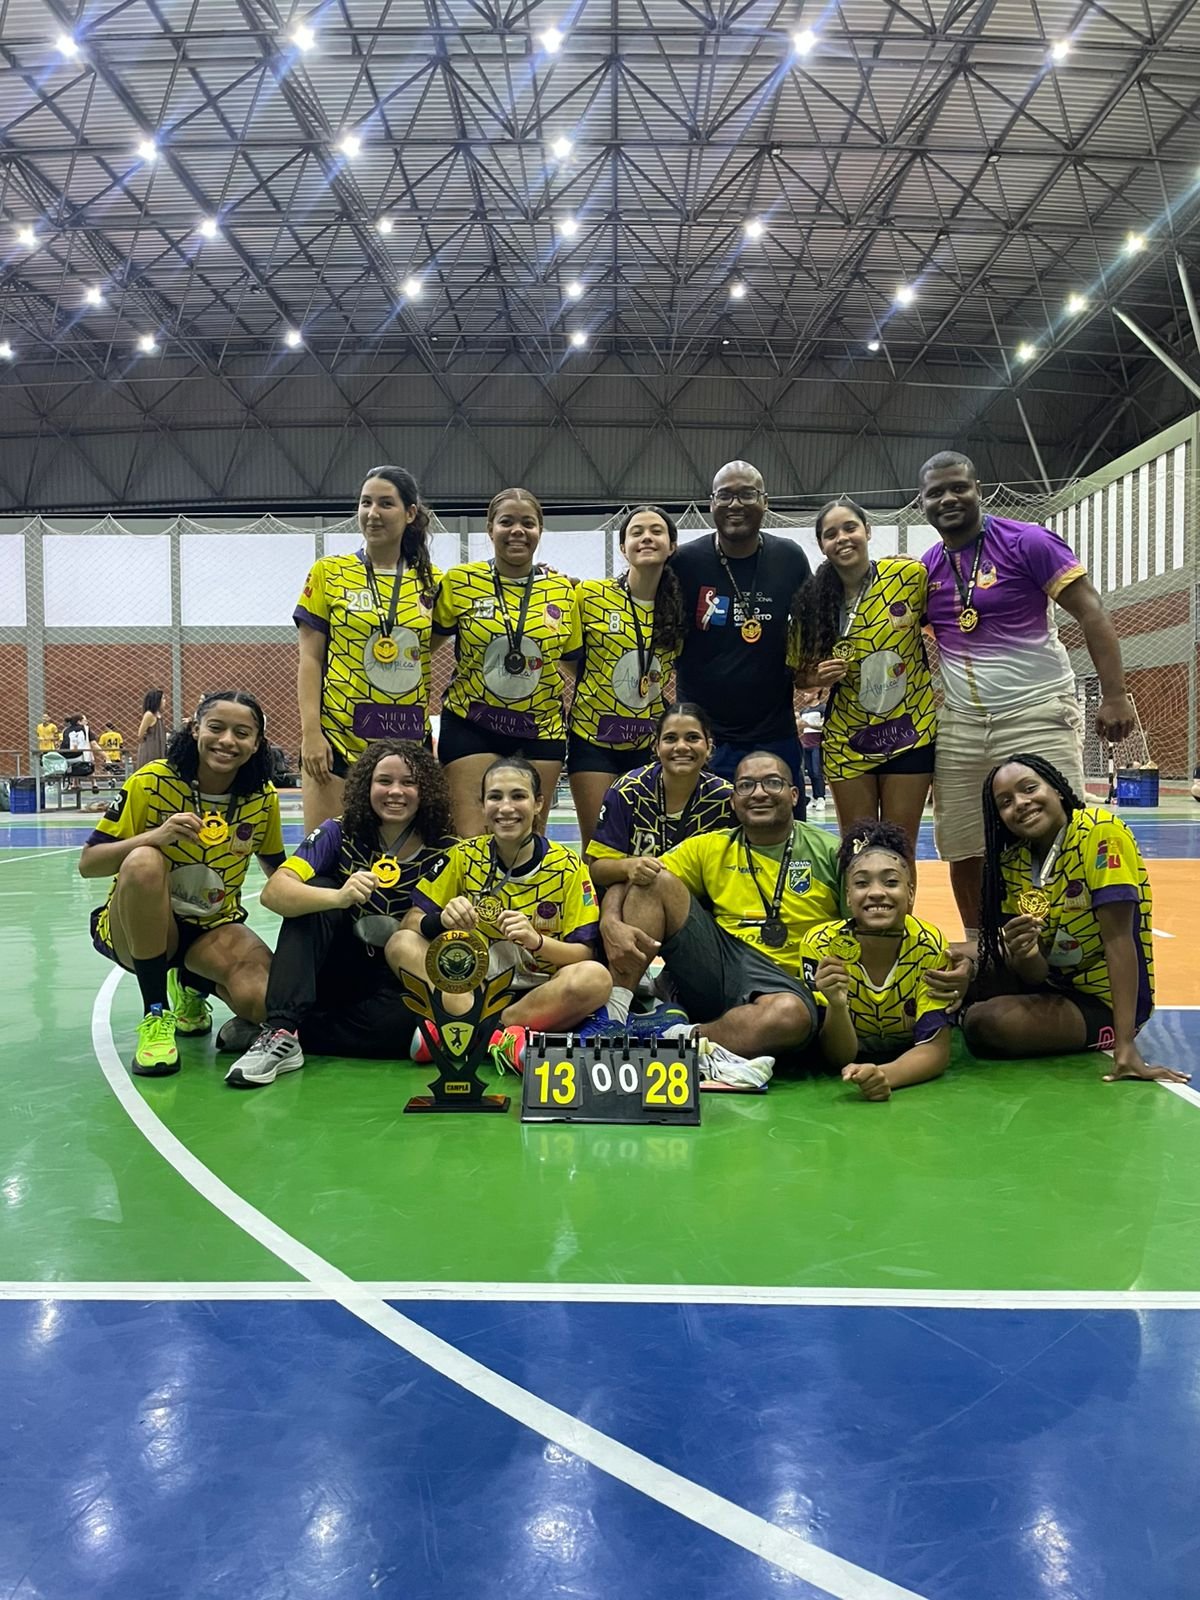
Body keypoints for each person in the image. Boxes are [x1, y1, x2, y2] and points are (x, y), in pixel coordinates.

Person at [917, 452, 1134, 940]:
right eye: (936, 493)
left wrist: (1116, 694)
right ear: (922, 503)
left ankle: (1071, 945)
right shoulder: (928, 569)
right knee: (963, 844)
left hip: (1036, 712)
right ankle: (980, 947)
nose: (948, 498)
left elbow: (1092, 612)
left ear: (978, 490)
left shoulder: (1027, 541)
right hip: (962, 724)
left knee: (1064, 834)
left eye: (958, 487)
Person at [223, 740, 457, 1089]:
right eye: (384, 781)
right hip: (334, 967)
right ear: (366, 786)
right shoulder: (339, 831)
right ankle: (281, 1028)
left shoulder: (448, 848)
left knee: (410, 1028)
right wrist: (338, 896)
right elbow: (274, 893)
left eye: (409, 782)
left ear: (427, 790)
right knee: (314, 891)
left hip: (393, 978)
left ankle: (286, 1033)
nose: (396, 791)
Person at [598, 750, 841, 1078]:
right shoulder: (709, 847)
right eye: (746, 786)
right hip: (723, 964)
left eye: (772, 783)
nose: (758, 793)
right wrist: (610, 921)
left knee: (788, 1016)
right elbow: (634, 875)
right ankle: (612, 1016)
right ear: (733, 800)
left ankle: (673, 1036)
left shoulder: (830, 851)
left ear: (794, 794)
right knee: (654, 880)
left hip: (790, 984)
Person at [80, 690, 284, 1077]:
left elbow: (277, 867)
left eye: (242, 733)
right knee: (144, 861)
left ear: (257, 743)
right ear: (195, 730)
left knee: (264, 1003)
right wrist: (154, 837)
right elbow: (89, 864)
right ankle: (155, 1015)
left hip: (212, 925)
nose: (227, 741)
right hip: (140, 925)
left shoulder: (262, 798)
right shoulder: (152, 781)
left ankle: (191, 983)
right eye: (216, 728)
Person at [962, 754, 1187, 1085]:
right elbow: (1036, 973)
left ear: (1056, 788)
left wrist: (1126, 1045)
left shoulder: (1099, 833)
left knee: (986, 1023)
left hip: (1102, 1000)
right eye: (1005, 802)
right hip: (1053, 983)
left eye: (1029, 789)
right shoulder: (1012, 862)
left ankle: (1112, 1033)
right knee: (943, 956)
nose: (1020, 803)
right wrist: (1026, 953)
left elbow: (1119, 941)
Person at [392, 757, 611, 1068]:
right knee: (400, 943)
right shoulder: (462, 856)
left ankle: (464, 1028)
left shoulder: (569, 866)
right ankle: (498, 1038)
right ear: (483, 805)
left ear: (538, 803)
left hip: (540, 994)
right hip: (470, 986)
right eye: (495, 797)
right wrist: (440, 920)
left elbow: (582, 954)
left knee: (596, 978)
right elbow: (410, 923)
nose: (506, 808)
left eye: (518, 796)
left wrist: (536, 941)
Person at [295, 466, 442, 833]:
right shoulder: (329, 572)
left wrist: (542, 576)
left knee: (403, 857)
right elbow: (310, 659)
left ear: (410, 513)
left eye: (385, 504)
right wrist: (311, 734)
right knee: (325, 852)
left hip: (407, 744)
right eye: (365, 503)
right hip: (337, 739)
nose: (372, 513)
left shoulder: (434, 582)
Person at [433, 489, 580, 836]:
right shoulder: (459, 582)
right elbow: (424, 649)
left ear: (539, 531)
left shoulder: (563, 590)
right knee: (472, 840)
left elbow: (575, 665)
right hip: (472, 724)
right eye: (506, 522)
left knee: (527, 840)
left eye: (528, 523)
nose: (517, 530)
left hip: (539, 729)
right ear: (490, 529)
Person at [790, 498, 936, 844]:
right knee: (858, 849)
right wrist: (816, 678)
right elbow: (798, 676)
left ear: (868, 531)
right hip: (848, 741)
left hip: (910, 732)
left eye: (850, 528)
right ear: (822, 545)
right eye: (831, 534)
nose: (842, 538)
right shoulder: (811, 601)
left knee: (901, 848)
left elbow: (944, 625)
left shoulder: (907, 576)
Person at [670, 461, 812, 793]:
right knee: (702, 825)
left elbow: (817, 618)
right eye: (725, 495)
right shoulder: (684, 563)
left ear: (765, 501)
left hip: (774, 732)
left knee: (782, 821)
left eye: (747, 494)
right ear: (711, 504)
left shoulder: (789, 558)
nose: (735, 504)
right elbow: (643, 599)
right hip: (703, 736)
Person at [801, 822, 953, 1101]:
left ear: (910, 892)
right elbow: (836, 1057)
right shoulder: (820, 944)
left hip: (907, 1059)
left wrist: (885, 1075)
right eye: (861, 883)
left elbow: (936, 1049)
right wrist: (836, 1005)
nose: (876, 892)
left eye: (891, 882)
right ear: (848, 896)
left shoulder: (930, 944)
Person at [565, 505, 686, 850]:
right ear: (623, 547)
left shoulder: (679, 608)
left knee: (649, 847)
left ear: (672, 546)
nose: (646, 537)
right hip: (593, 740)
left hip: (647, 745)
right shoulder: (589, 595)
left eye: (656, 531)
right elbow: (568, 659)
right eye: (636, 532)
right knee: (599, 849)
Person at [795, 692, 826, 812]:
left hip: (817, 744)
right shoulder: (804, 711)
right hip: (806, 744)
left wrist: (808, 724)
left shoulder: (822, 708)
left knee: (817, 772)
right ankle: (814, 797)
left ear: (816, 693)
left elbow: (823, 726)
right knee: (811, 772)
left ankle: (821, 798)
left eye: (808, 693)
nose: (804, 695)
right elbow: (801, 726)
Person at [136, 690, 167, 769]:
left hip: (159, 748)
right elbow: (140, 734)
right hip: (150, 749)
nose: (165, 701)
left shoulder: (159, 715)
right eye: (163, 699)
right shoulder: (149, 715)